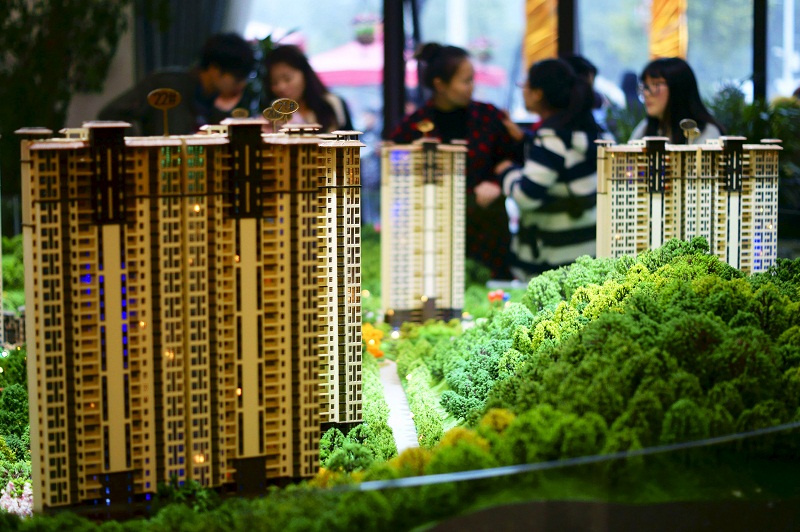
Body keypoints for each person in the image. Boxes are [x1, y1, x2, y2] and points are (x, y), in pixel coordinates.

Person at [390, 42, 523, 280]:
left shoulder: (489, 116)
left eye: (472, 80)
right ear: (440, 85)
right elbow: (394, 171)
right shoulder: (414, 125)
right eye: (466, 81)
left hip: (488, 231)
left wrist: (497, 183)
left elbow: (514, 157)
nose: (472, 87)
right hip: (435, 232)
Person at [496, 58, 604, 280]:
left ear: (538, 93)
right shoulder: (586, 130)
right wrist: (526, 139)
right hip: (585, 250)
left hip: (555, 259)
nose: (522, 91)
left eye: (525, 85)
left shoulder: (550, 139)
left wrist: (507, 172)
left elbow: (526, 196)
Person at [99, 33, 256, 135]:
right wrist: (139, 146)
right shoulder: (167, 83)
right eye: (237, 78)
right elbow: (110, 115)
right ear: (215, 69)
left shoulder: (220, 102)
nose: (240, 84)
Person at [630, 57, 724, 144]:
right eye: (645, 86)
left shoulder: (706, 133)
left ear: (678, 89)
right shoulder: (645, 127)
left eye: (655, 85)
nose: (646, 93)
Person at [260, 44, 353, 132]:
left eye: (287, 79)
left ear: (304, 74)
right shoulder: (272, 114)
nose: (281, 87)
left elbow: (350, 142)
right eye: (274, 82)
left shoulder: (332, 103)